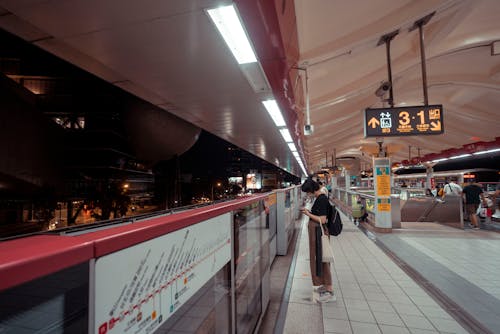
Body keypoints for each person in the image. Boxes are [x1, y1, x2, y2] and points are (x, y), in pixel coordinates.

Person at [301, 177, 335, 303]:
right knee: (320, 260)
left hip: (318, 234)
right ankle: (325, 289)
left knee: (322, 260)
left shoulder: (321, 199)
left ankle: (328, 291)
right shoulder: (321, 198)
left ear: (311, 190)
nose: (307, 194)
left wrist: (308, 214)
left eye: (307, 192)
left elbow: (323, 219)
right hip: (317, 233)